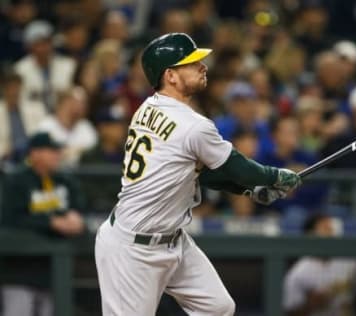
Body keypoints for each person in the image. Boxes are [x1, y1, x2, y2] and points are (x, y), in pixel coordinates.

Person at [94, 32, 302, 316]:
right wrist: (273, 176)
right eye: (191, 63)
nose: (202, 65)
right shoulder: (192, 125)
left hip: (173, 238)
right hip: (133, 248)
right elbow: (235, 167)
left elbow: (197, 172)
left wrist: (247, 190)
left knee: (218, 308)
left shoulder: (147, 107)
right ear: (170, 75)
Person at [0, 132, 85, 316]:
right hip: (18, 273)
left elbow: (78, 208)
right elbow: (11, 220)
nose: (57, 154)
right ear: (35, 153)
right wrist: (50, 222)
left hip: (53, 275)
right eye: (51, 150)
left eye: (58, 150)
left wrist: (76, 217)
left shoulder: (65, 180)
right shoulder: (16, 180)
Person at [283, 213, 356, 316]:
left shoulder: (350, 261)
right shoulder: (299, 272)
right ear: (310, 235)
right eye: (325, 228)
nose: (331, 232)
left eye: (332, 227)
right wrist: (310, 304)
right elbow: (290, 312)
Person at [14, 20, 76, 111]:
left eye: (46, 43)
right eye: (38, 44)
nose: (43, 48)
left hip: (63, 114)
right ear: (29, 46)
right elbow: (21, 99)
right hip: (33, 117)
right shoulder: (20, 69)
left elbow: (74, 94)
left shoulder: (68, 65)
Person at [38, 87, 98, 167]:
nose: (79, 107)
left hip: (81, 173)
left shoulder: (86, 127)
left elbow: (93, 152)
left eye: (82, 103)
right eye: (74, 102)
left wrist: (69, 152)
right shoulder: (46, 125)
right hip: (53, 173)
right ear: (62, 103)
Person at [0, 71, 46, 163]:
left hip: (32, 156)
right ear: (3, 89)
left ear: (21, 88)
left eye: (16, 87)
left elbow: (42, 136)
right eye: (10, 88)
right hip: (6, 158)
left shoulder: (36, 108)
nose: (13, 92)